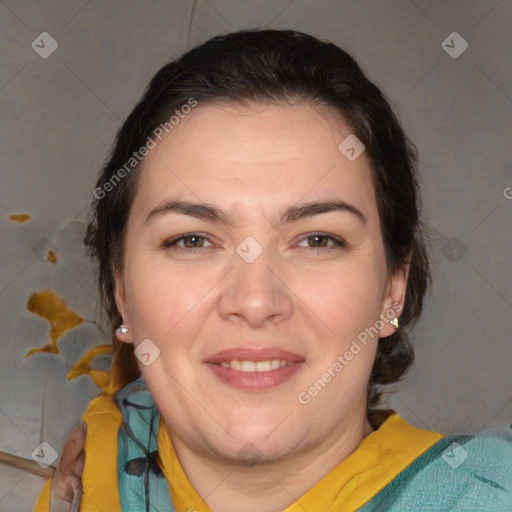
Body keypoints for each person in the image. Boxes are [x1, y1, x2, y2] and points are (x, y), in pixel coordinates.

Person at [35, 29, 512, 512]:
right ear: (121, 288)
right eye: (192, 240)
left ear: (394, 285)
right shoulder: (88, 481)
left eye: (318, 240)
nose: (256, 300)